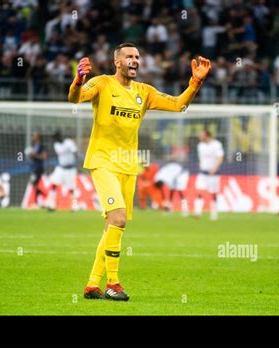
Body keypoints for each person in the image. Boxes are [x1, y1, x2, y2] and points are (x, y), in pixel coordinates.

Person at [68, 42, 211, 301]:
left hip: (128, 166)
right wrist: (78, 80)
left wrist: (195, 84)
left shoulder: (144, 92)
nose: (135, 60)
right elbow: (75, 98)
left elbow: (179, 105)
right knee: (119, 218)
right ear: (117, 62)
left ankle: (91, 286)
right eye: (129, 57)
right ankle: (113, 283)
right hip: (102, 162)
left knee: (112, 226)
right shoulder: (101, 84)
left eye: (137, 57)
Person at [194, 129, 224, 220]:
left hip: (213, 174)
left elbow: (220, 157)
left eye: (201, 135)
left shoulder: (217, 144)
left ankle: (214, 214)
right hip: (203, 173)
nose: (200, 137)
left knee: (213, 193)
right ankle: (198, 213)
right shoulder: (200, 146)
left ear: (207, 135)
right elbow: (201, 159)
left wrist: (214, 168)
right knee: (199, 191)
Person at [46, 131, 79, 211]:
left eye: (56, 138)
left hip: (70, 169)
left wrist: (77, 163)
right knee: (53, 184)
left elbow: (75, 152)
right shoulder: (56, 145)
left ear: (60, 136)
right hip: (61, 168)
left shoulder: (69, 142)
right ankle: (51, 205)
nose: (56, 140)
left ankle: (74, 206)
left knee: (71, 188)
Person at [25, 132, 47, 209]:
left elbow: (44, 157)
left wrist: (35, 155)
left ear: (38, 137)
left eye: (34, 136)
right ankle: (42, 198)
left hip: (38, 168)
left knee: (34, 184)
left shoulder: (41, 147)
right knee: (34, 185)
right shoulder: (33, 146)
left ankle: (37, 202)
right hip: (33, 167)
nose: (32, 137)